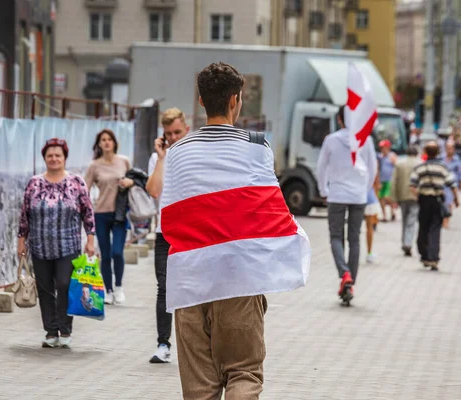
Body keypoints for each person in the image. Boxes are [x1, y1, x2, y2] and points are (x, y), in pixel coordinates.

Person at [159, 62, 310, 399]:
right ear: (235, 100)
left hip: (190, 283)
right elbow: (273, 211)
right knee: (243, 373)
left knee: (199, 389)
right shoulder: (257, 146)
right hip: (239, 280)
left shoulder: (177, 153)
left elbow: (170, 217)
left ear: (200, 101)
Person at [17, 138, 96, 349]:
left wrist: (90, 240)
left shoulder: (76, 182)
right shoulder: (34, 183)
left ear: (64, 158)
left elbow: (88, 212)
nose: (54, 159)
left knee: (64, 284)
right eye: (50, 155)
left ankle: (65, 328)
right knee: (44, 288)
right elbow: (24, 214)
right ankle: (50, 331)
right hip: (40, 245)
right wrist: (21, 240)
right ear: (44, 158)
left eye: (57, 155)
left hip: (68, 245)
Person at [318, 105, 378, 302]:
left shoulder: (331, 140)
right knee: (354, 239)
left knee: (336, 237)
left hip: (336, 195)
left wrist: (323, 190)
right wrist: (365, 188)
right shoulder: (365, 140)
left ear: (340, 120)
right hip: (358, 196)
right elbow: (372, 168)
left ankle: (344, 274)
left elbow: (322, 167)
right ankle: (350, 282)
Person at [145, 108, 189, 364]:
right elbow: (153, 190)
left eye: (177, 132)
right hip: (165, 233)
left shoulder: (195, 154)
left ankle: (196, 344)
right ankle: (163, 343)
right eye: (168, 133)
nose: (173, 137)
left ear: (186, 128)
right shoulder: (159, 157)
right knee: (165, 287)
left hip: (191, 233)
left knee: (190, 288)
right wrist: (161, 158)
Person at [85, 129, 133, 305]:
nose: (106, 142)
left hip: (120, 214)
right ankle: (108, 290)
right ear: (99, 144)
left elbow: (135, 179)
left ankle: (119, 287)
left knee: (117, 252)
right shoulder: (94, 165)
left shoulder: (124, 162)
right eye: (103, 140)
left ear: (114, 142)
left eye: (109, 139)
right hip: (101, 214)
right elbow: (85, 190)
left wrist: (131, 182)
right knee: (105, 255)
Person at [410, 141, 460, 271]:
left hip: (424, 200)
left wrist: (418, 196)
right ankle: (434, 258)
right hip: (437, 200)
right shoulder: (443, 167)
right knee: (435, 229)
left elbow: (412, 185)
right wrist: (456, 200)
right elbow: (452, 184)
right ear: (438, 153)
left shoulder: (420, 167)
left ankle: (424, 255)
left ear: (425, 152)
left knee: (423, 228)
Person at [391, 146, 421, 257]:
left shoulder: (399, 164)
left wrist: (393, 198)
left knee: (404, 220)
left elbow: (394, 181)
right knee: (411, 221)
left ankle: (405, 242)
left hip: (402, 196)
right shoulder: (420, 164)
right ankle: (408, 243)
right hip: (415, 196)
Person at [441, 141, 461, 228]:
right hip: (443, 183)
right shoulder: (441, 158)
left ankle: (446, 220)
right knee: (443, 201)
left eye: (451, 148)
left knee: (450, 201)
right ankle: (443, 219)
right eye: (448, 148)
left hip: (452, 183)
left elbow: (460, 172)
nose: (449, 150)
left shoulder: (457, 159)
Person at [377, 139, 398, 221]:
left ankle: (393, 210)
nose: (382, 149)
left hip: (390, 180)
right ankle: (384, 215)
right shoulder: (379, 156)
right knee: (381, 197)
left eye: (384, 147)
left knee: (387, 197)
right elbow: (377, 169)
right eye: (381, 148)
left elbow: (396, 166)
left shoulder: (392, 156)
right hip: (382, 180)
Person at [364, 175, 380, 264]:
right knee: (369, 227)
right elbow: (376, 183)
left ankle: (352, 253)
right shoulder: (372, 162)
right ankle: (369, 253)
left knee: (354, 228)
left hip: (354, 196)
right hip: (369, 197)